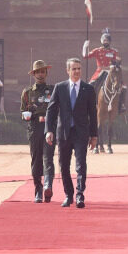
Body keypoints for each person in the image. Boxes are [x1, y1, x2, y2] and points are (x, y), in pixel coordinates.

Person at [45, 58, 98, 208]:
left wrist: (94, 135)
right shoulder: (60, 87)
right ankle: (69, 195)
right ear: (67, 70)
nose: (77, 71)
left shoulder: (88, 89)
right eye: (73, 69)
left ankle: (80, 195)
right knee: (63, 166)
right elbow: (51, 110)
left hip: (81, 133)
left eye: (79, 69)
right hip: (63, 133)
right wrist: (49, 130)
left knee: (81, 165)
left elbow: (93, 113)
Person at [20, 60, 55, 203]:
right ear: (33, 74)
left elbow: (57, 108)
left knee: (48, 157)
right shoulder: (27, 92)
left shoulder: (53, 90)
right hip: (34, 128)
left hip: (49, 128)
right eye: (38, 72)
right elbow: (23, 111)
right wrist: (25, 115)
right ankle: (38, 190)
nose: (40, 74)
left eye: (43, 71)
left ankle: (48, 185)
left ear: (46, 73)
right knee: (36, 160)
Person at [83, 28, 127, 113]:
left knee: (123, 87)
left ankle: (121, 105)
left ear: (110, 41)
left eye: (107, 40)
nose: (105, 42)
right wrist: (85, 46)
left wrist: (118, 62)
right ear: (101, 41)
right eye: (104, 40)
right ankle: (88, 104)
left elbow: (117, 62)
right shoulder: (97, 50)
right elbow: (85, 56)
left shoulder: (114, 52)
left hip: (111, 71)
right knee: (90, 86)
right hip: (100, 71)